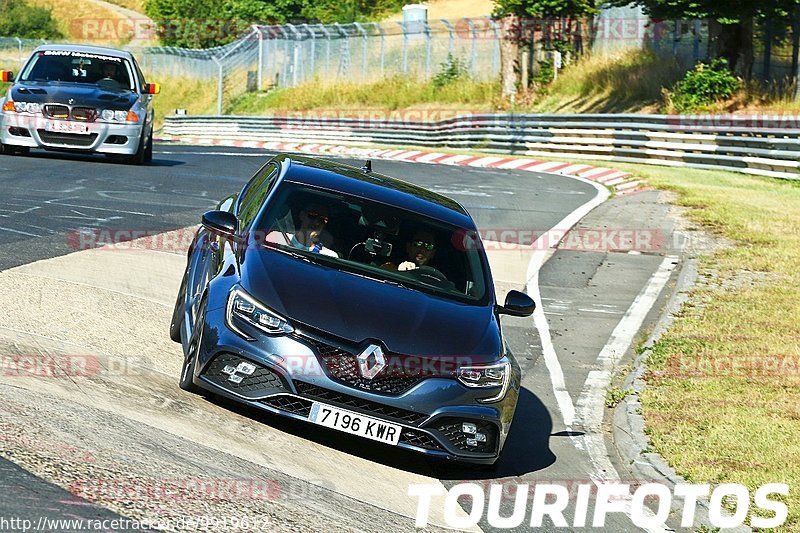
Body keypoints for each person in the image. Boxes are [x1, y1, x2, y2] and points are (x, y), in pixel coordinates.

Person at [265, 203, 338, 257]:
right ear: (302, 215)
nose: (317, 222)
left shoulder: (329, 256)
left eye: (323, 220)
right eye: (312, 215)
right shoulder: (276, 238)